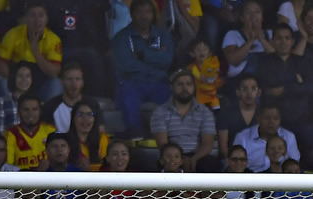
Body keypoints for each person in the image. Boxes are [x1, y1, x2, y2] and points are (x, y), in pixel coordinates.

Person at [111, 0, 174, 138]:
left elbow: (167, 60)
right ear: (132, 14)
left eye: (147, 12)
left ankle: (169, 134)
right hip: (132, 82)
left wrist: (142, 55)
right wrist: (156, 61)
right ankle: (135, 134)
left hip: (158, 82)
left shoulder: (163, 35)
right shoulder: (121, 37)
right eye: (139, 12)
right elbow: (126, 65)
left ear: (153, 14)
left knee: (173, 98)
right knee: (127, 95)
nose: (143, 16)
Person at [149, 69, 218, 173]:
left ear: (194, 87)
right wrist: (179, 160)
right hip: (171, 156)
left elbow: (207, 144)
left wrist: (193, 159)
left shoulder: (205, 112)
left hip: (197, 156)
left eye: (188, 84)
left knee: (211, 163)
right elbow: (162, 144)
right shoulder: (160, 112)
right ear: (172, 87)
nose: (185, 88)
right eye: (180, 84)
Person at [0, 0, 63, 99]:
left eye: (41, 15)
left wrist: (35, 50)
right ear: (26, 19)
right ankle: (11, 111)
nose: (37, 20)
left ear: (47, 19)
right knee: (0, 81)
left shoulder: (54, 40)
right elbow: (0, 64)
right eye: (32, 15)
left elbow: (54, 72)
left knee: (56, 83)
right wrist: (18, 79)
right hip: (16, 79)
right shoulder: (13, 34)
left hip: (41, 81)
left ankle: (45, 113)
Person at [233, 103, 300, 173]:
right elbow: (234, 165)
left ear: (280, 120)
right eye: (267, 118)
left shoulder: (289, 137)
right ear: (258, 119)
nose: (271, 122)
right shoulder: (243, 137)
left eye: (275, 118)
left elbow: (294, 166)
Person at [40, 62, 101, 133]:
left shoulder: (92, 104)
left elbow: (100, 131)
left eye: (77, 79)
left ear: (82, 82)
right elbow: (46, 136)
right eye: (69, 79)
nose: (74, 84)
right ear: (61, 82)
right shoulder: (50, 106)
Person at [4, 93, 56, 169]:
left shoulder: (51, 131)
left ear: (40, 112)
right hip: (20, 180)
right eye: (26, 110)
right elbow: (8, 168)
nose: (30, 114)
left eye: (34, 109)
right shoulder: (10, 134)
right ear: (18, 112)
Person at [217, 74, 260, 159]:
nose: (249, 93)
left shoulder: (263, 113)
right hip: (232, 161)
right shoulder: (226, 113)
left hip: (258, 161)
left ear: (259, 92)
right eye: (244, 89)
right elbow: (223, 149)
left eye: (253, 88)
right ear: (238, 92)